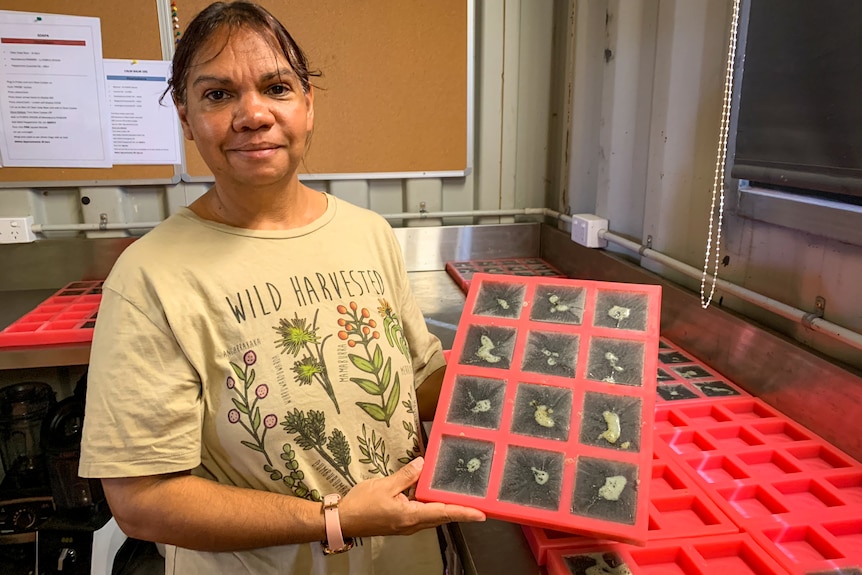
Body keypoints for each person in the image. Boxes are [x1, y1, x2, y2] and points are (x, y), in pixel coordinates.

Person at [78, 2, 485, 573]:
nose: (253, 114)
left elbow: (417, 380)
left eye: (276, 86)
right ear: (186, 117)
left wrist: (511, 385)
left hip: (406, 559)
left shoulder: (368, 233)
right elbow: (142, 502)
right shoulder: (151, 276)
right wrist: (335, 518)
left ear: (308, 105)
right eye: (217, 94)